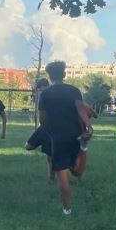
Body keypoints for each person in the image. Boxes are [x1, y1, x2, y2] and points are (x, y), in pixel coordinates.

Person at [37, 62, 92, 215]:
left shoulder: (45, 94)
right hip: (75, 133)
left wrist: (48, 129)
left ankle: (67, 210)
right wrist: (88, 127)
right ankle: (83, 147)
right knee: (76, 172)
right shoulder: (74, 90)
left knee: (62, 175)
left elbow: (42, 118)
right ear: (64, 74)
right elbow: (81, 109)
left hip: (57, 136)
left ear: (49, 76)